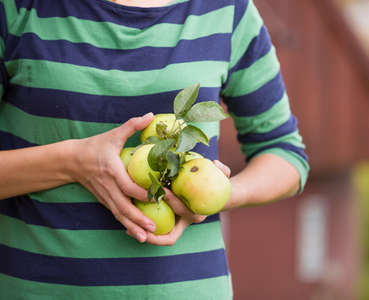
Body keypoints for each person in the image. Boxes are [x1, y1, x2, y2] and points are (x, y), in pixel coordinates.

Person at [0, 0, 309, 298]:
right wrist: (72, 162)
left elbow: (285, 154)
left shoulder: (226, 9)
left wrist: (219, 194)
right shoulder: (15, 8)